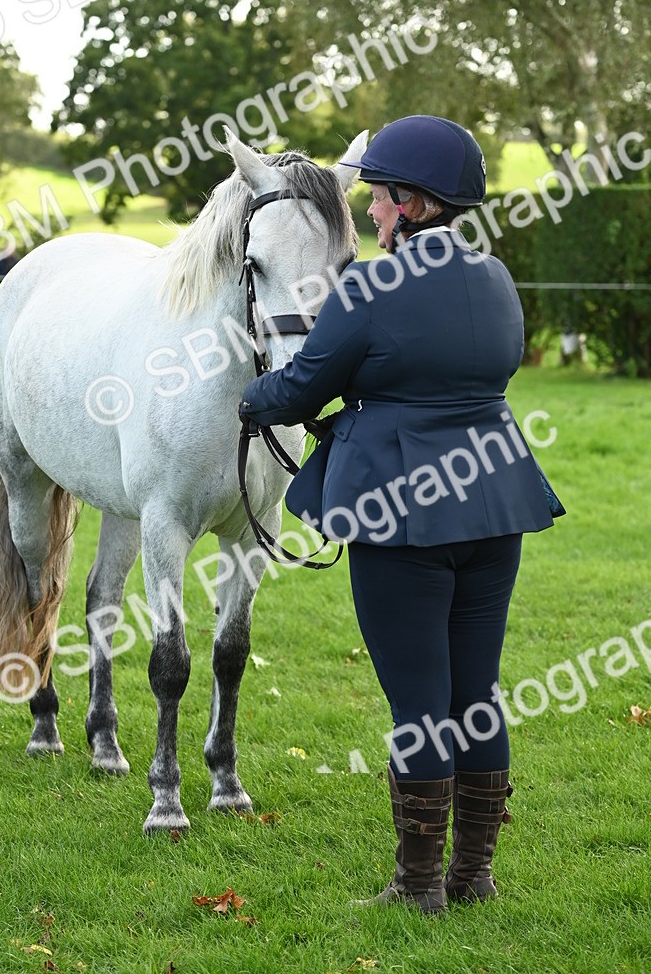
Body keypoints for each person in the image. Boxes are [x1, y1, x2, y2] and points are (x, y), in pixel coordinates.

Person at [238, 115, 560, 914]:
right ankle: (473, 875)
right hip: (496, 501)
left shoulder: (367, 290)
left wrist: (248, 395)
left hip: (401, 512)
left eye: (380, 197)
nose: (372, 212)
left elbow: (299, 389)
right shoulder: (497, 279)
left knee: (418, 705)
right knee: (475, 695)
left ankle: (418, 888)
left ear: (413, 204)